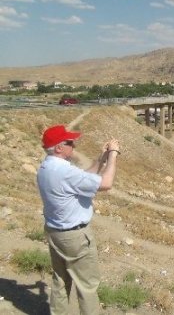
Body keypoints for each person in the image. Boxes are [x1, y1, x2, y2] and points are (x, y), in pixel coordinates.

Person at [37, 125, 120, 315]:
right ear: (59, 148)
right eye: (69, 142)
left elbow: (84, 177)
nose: (74, 144)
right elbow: (106, 183)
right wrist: (114, 155)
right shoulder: (64, 171)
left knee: (60, 280)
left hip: (55, 232)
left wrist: (102, 158)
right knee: (87, 286)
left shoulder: (47, 167)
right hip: (75, 237)